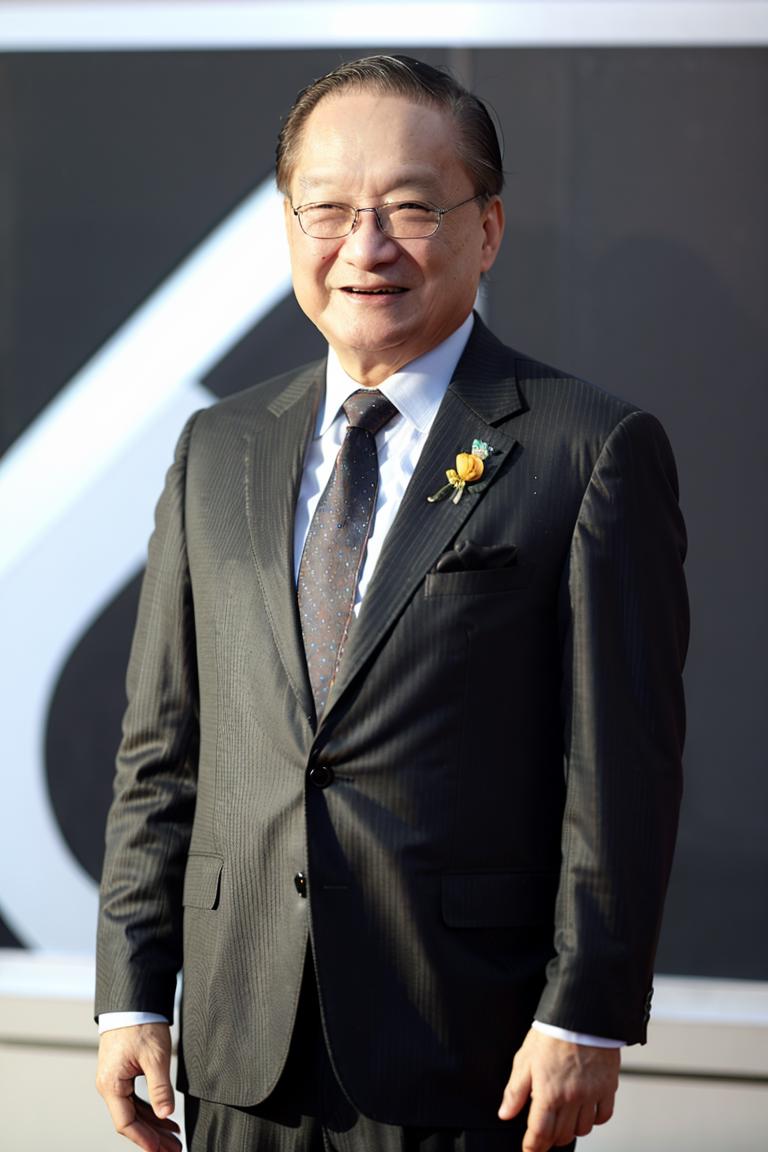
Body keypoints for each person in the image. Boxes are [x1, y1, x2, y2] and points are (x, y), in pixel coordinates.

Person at [95, 55, 688, 1152]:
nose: (364, 247)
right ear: (288, 227)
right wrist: (131, 994)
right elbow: (161, 750)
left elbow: (622, 770)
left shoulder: (587, 448)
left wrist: (585, 1012)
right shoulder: (217, 446)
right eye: (327, 209)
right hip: (236, 1050)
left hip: (467, 1049)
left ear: (488, 229)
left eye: (411, 209)